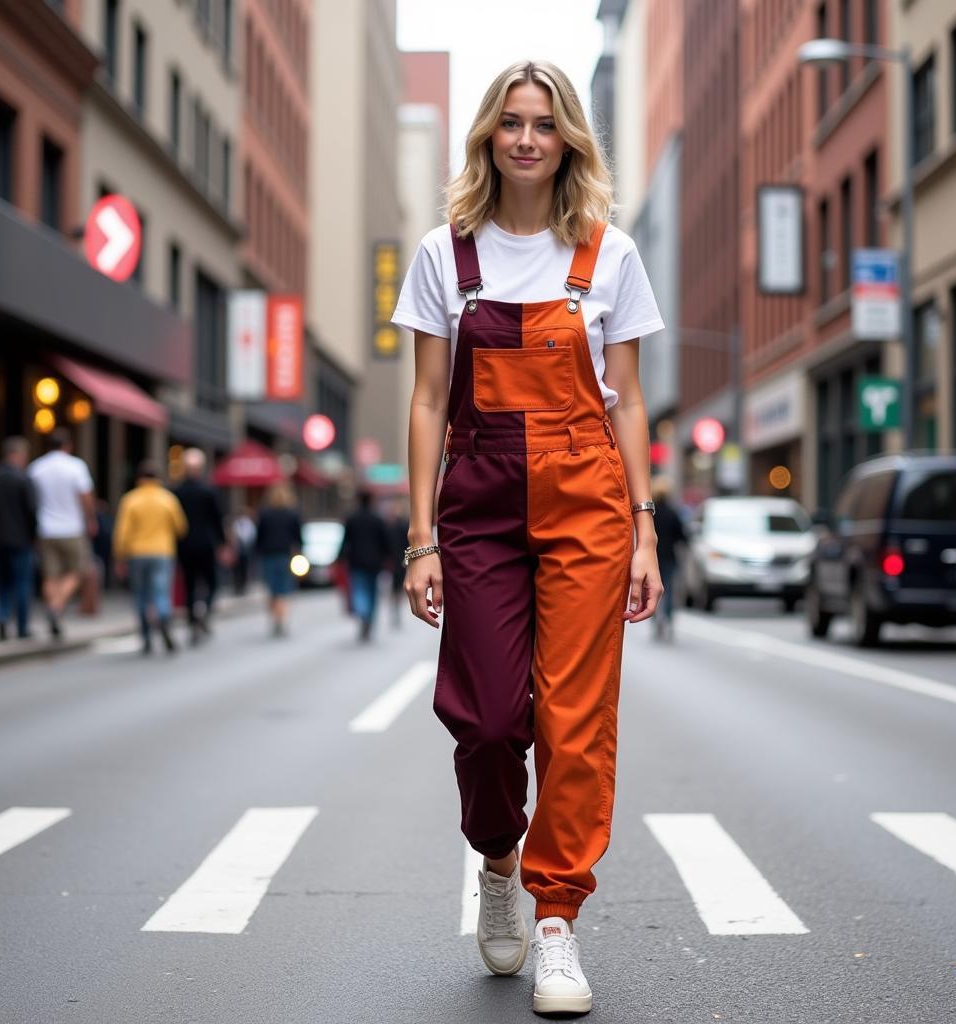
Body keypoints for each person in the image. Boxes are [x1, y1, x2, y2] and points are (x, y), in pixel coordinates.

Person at [392, 61, 665, 1015]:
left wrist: (645, 530)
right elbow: (428, 399)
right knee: (490, 716)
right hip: (478, 498)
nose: (525, 140)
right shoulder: (445, 253)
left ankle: (556, 921)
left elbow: (626, 401)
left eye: (543, 125)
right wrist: (420, 537)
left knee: (575, 724)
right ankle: (498, 860)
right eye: (509, 123)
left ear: (567, 142)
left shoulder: (609, 253)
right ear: (486, 137)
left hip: (588, 492)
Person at [112, 460, 187, 655]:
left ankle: (146, 637)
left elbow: (122, 532)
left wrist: (120, 556)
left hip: (137, 552)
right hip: (162, 551)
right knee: (161, 592)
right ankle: (163, 617)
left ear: (139, 478)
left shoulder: (131, 500)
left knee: (141, 595)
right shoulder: (168, 499)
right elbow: (181, 527)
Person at [27, 429, 96, 639]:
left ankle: (53, 606)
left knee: (50, 575)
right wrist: (90, 519)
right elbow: (85, 496)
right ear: (67, 445)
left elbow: (31, 499)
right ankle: (57, 606)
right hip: (71, 528)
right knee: (78, 570)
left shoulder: (36, 468)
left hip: (45, 529)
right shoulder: (75, 466)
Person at [173, 448, 227, 644]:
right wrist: (223, 544)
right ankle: (204, 612)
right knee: (212, 583)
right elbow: (217, 520)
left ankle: (192, 621)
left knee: (189, 586)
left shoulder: (177, 492)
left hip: (184, 545)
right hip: (206, 544)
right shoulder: (208, 491)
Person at [0, 437, 38, 640]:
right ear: (16, 455)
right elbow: (31, 511)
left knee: (3, 581)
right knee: (22, 582)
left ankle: (2, 615)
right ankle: (22, 626)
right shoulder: (23, 479)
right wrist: (34, 536)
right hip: (21, 540)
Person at [338, 490, 391, 643]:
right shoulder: (378, 520)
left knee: (359, 590)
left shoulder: (351, 519)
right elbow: (385, 541)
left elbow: (345, 540)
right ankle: (368, 617)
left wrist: (339, 557)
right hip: (375, 562)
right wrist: (390, 557)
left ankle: (363, 613)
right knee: (372, 592)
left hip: (356, 561)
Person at [255, 483, 302, 637]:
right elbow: (298, 538)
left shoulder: (264, 514)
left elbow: (259, 537)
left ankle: (275, 618)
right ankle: (280, 618)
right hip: (284, 555)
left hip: (268, 555)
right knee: (283, 589)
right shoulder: (292, 514)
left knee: (272, 590)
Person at [652, 480, 687, 642]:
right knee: (669, 591)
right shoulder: (673, 513)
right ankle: (668, 620)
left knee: (651, 591)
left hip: (652, 557)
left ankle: (654, 620)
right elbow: (682, 536)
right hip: (669, 557)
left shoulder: (650, 514)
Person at [384, 497, 410, 629]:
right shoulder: (405, 526)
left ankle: (395, 608)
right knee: (398, 587)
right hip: (402, 560)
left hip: (393, 561)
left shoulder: (391, 527)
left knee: (394, 587)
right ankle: (396, 609)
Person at [231, 507, 257, 595]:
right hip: (236, 549)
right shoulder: (236, 523)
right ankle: (237, 585)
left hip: (246, 549)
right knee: (236, 568)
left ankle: (243, 585)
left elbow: (252, 535)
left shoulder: (249, 524)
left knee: (244, 567)